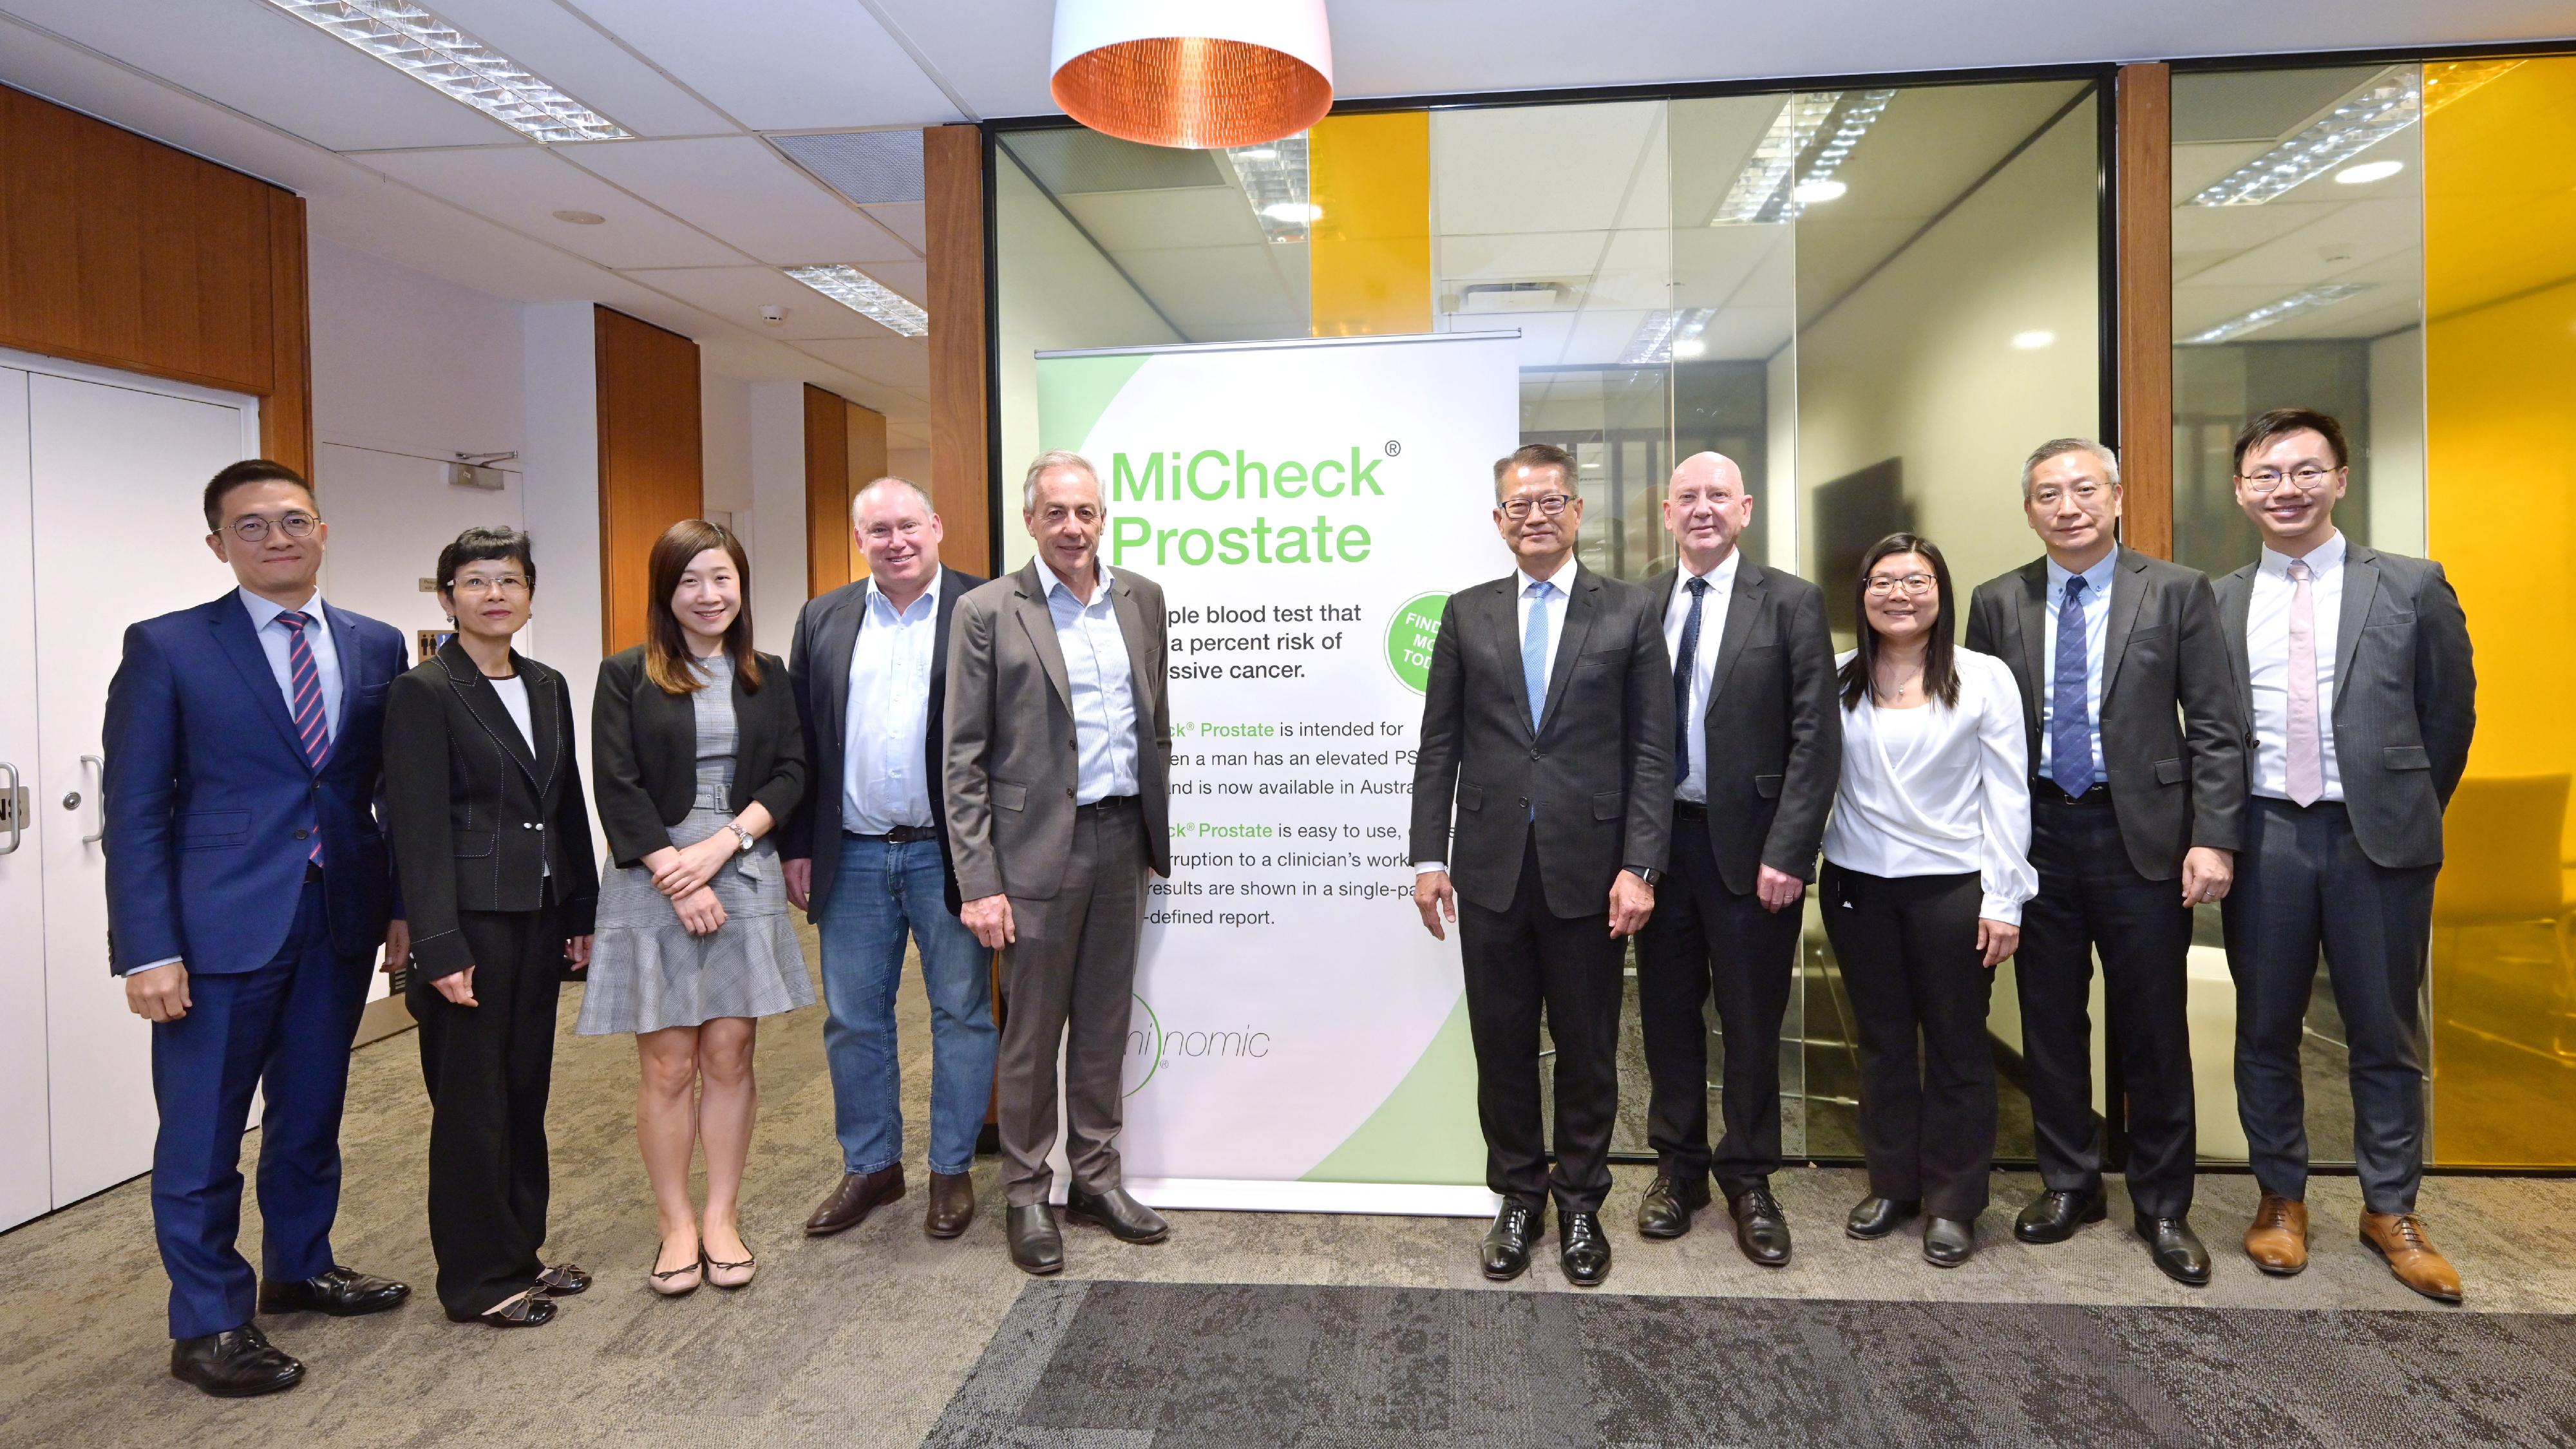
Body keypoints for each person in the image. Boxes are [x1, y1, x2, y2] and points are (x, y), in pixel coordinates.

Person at [103, 459, 412, 1397]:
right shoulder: (169, 647)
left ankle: (299, 1264)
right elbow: (137, 808)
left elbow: (382, 791)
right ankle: (207, 1323)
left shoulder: (375, 643)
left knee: (310, 1110)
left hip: (336, 917)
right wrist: (148, 946)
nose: (278, 538)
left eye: (295, 520)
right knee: (202, 1134)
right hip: (215, 929)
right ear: (217, 544)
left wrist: (397, 906)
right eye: (252, 526)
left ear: (323, 531)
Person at [1964, 439, 2245, 1287]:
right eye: (2048, 492)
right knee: (2049, 1019)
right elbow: (1978, 730)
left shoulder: (2176, 591)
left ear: (2116, 496)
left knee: (2154, 1025)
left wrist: (2214, 834)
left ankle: (2162, 1202)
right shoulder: (1996, 599)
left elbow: (2219, 723)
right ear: (2029, 510)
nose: (2068, 505)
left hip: (2144, 838)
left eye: (2084, 488)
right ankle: (2070, 1182)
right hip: (2038, 832)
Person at [2212, 408, 2475, 1302]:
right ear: (2242, 489)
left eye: (2305, 470)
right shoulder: (2218, 599)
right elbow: (2212, 728)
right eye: (2267, 474)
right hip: (2264, 834)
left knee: (2384, 1030)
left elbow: (2450, 716)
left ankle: (2391, 1206)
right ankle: (2280, 1197)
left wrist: (2398, 805)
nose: (2287, 488)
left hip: (2376, 840)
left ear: (2340, 478)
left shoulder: (2410, 584)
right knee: (2266, 1026)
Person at [1410, 442, 1674, 1289]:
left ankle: (1583, 1202)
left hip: (1592, 869)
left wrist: (1642, 864)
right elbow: (1439, 744)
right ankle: (1518, 1197)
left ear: (1576, 512)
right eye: (1518, 504)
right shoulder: (1466, 612)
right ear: (1498, 519)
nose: (1534, 515)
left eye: (1550, 500)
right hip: (1487, 869)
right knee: (1504, 1046)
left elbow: (1651, 749)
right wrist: (1427, 855)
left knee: (1591, 1045)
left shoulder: (1629, 612)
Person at [945, 450, 1175, 1276]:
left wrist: (1154, 832)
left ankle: (1097, 1179)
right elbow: (961, 758)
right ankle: (1025, 1194)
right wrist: (980, 881)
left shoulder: (1140, 600)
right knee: (1033, 1032)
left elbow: (1158, 730)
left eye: (1085, 512)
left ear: (1103, 517)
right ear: (1031, 520)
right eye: (1055, 512)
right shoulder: (985, 610)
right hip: (1032, 851)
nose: (1072, 526)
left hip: (1122, 844)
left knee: (1106, 1023)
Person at [581, 519, 811, 1296]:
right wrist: (675, 869)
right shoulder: (625, 675)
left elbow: (789, 770)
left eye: (721, 579)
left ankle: (721, 1216)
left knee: (729, 1055)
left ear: (741, 587)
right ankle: (675, 1223)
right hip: (653, 876)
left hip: (741, 869)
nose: (708, 595)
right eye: (689, 581)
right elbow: (615, 782)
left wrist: (723, 848)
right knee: (669, 1063)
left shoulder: (766, 674)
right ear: (665, 591)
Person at [383, 527, 598, 1328]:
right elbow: (417, 824)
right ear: (448, 599)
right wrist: (436, 943)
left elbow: (564, 801)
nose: (494, 595)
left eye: (508, 580)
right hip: (467, 926)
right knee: (471, 1104)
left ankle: (522, 1253)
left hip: (537, 917)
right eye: (474, 582)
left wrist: (581, 908)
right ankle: (477, 1281)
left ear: (530, 594)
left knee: (522, 1091)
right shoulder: (426, 690)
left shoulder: (545, 683)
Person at [1633, 452, 1839, 1266]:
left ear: (1745, 508)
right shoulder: (1636, 604)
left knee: (1751, 1024)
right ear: (1665, 511)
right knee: (1665, 1019)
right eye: (1688, 497)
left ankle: (1749, 1177)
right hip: (1659, 847)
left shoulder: (1789, 602)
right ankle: (1676, 1172)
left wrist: (1790, 849)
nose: (1703, 508)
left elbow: (1815, 738)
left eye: (1718, 495)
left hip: (1756, 856)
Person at [784, 478, 994, 1242]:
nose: (896, 541)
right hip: (856, 854)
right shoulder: (824, 618)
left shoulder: (986, 607)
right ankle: (872, 1166)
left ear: (936, 526)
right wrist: (800, 844)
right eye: (879, 530)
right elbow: (802, 744)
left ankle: (951, 1167)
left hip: (952, 854)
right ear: (860, 539)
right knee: (852, 1020)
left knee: (962, 1015)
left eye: (909, 525)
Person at [1820, 533, 2034, 1269]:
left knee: (1956, 1045)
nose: (1898, 594)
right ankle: (1892, 1184)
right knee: (1880, 1043)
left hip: (1952, 888)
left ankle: (1953, 1200)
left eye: (1915, 580)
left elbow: (2008, 796)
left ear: (1941, 591)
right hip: (1855, 885)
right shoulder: (1838, 674)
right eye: (1882, 581)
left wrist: (2004, 897)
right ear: (1862, 594)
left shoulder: (1983, 678)